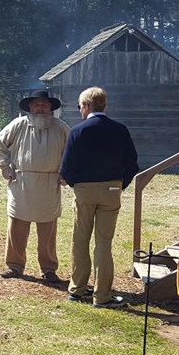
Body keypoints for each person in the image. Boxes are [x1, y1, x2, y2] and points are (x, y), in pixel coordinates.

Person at [59, 86, 139, 308]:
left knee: (80, 239)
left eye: (79, 106)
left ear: (86, 106)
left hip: (84, 190)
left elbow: (66, 168)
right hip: (112, 190)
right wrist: (120, 184)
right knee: (104, 243)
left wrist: (76, 184)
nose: (79, 110)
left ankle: (77, 289)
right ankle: (102, 296)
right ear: (104, 105)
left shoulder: (77, 131)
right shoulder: (120, 130)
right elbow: (132, 163)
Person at [0, 89, 72, 283]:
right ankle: (14, 265)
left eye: (44, 105)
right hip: (22, 182)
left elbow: (73, 152)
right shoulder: (18, 125)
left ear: (50, 107)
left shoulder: (61, 127)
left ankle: (49, 269)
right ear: (30, 107)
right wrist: (3, 167)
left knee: (48, 229)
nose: (41, 108)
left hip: (49, 183)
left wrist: (67, 172)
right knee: (17, 225)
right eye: (37, 104)